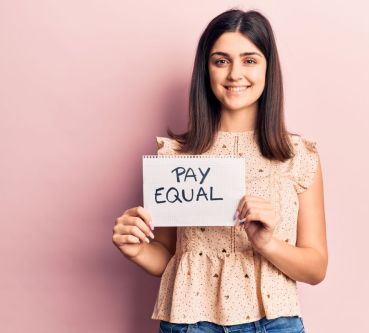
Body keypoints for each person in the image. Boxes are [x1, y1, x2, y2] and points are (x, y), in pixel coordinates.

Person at [112, 8, 327, 333]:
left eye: (250, 60)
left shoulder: (296, 155)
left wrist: (267, 243)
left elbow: (316, 267)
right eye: (221, 60)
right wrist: (137, 250)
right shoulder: (177, 157)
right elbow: (168, 256)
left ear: (269, 68)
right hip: (189, 324)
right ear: (206, 69)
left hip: (274, 324)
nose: (235, 74)